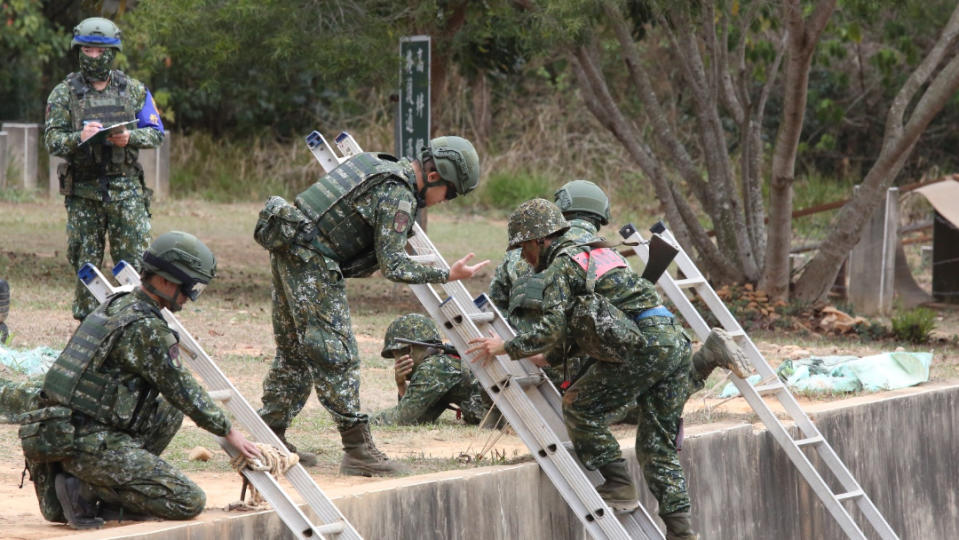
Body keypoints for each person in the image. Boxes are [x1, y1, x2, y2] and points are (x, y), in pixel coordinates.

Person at [468, 199, 747, 539]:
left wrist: (505, 347)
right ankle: (682, 533)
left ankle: (618, 485)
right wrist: (551, 358)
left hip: (643, 346)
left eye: (524, 247)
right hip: (672, 340)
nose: (524, 257)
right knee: (656, 445)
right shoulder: (599, 254)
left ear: (540, 240)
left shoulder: (561, 267)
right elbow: (591, 318)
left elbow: (554, 327)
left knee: (578, 405)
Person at [253, 136, 488, 475]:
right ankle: (357, 449)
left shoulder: (379, 164)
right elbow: (393, 265)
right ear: (435, 176)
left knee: (293, 353)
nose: (443, 201)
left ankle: (270, 437)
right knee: (337, 353)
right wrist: (446, 273)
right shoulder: (400, 195)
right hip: (312, 260)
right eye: (449, 193)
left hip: (290, 247)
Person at [13, 231, 259, 529]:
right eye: (190, 287)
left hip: (61, 431)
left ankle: (87, 486)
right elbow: (184, 390)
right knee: (187, 500)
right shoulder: (147, 329)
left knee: (168, 411)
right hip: (84, 442)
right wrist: (231, 432)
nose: (190, 297)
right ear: (167, 280)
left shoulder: (117, 304)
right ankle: (85, 490)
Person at [44, 17, 165, 321]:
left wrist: (129, 138)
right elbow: (52, 140)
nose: (93, 57)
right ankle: (89, 328)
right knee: (86, 265)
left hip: (126, 191)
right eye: (87, 50)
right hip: (84, 193)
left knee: (134, 264)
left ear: (112, 53)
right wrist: (79, 138)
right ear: (78, 51)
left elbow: (155, 132)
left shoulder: (133, 90)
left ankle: (134, 324)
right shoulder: (64, 93)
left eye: (100, 51)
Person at [370, 313, 489, 426]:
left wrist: (360, 422)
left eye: (395, 354)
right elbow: (420, 417)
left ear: (409, 350)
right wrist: (401, 385)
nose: (396, 361)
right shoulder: (441, 364)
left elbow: (402, 418)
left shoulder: (434, 367)